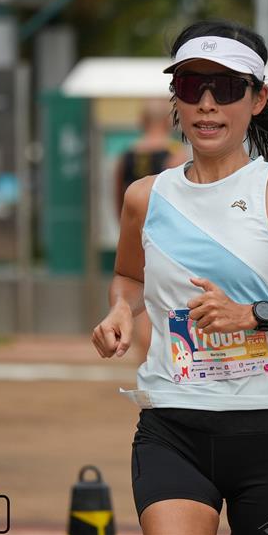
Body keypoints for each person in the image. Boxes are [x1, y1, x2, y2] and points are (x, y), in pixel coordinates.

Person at [91, 20, 268, 535]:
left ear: (257, 98)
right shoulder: (145, 196)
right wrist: (120, 309)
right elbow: (130, 277)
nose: (206, 104)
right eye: (190, 85)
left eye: (224, 88)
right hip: (173, 423)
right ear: (175, 97)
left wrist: (253, 315)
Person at [114, 99, 188, 363]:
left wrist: (126, 230)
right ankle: (158, 355)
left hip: (137, 232)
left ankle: (144, 356)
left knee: (138, 296)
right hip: (166, 236)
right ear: (169, 121)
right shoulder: (176, 153)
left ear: (142, 121)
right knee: (164, 297)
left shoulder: (127, 154)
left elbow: (119, 196)